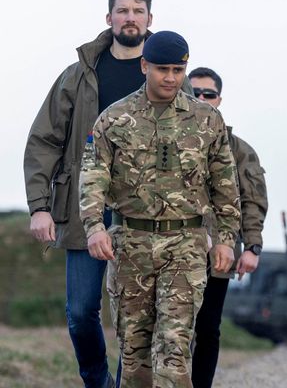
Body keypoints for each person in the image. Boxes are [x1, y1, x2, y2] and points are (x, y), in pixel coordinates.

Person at [79, 31, 241, 388]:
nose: (170, 78)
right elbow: (92, 178)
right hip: (130, 245)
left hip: (185, 244)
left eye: (177, 69)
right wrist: (94, 227)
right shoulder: (114, 119)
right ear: (144, 66)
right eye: (162, 69)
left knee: (174, 349)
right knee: (134, 357)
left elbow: (225, 185)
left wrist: (226, 239)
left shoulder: (206, 121)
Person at [24, 0, 154, 388]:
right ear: (109, 17)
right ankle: (99, 383)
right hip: (84, 208)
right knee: (81, 313)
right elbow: (44, 139)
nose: (129, 17)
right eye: (122, 10)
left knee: (135, 316)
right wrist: (39, 205)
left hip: (144, 212)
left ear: (150, 18)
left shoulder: (167, 73)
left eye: (137, 10)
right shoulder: (79, 75)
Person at [188, 67, 268, 388]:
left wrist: (252, 247)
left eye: (209, 94)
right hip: (172, 248)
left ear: (219, 99)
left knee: (207, 328)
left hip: (218, 254)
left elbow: (253, 201)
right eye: (195, 93)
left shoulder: (240, 150)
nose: (203, 99)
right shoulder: (164, 138)